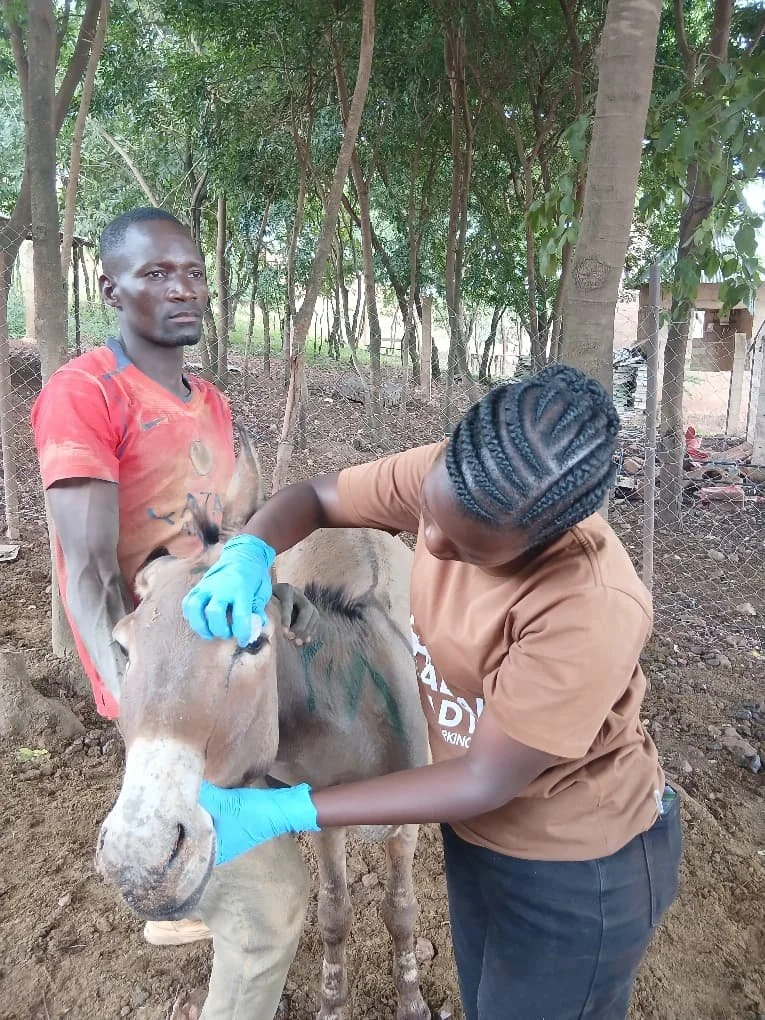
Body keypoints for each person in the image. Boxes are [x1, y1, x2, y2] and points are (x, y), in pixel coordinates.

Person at [183, 364, 682, 1020]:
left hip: (574, 867)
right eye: (429, 520)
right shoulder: (463, 480)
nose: (431, 544)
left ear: (544, 539)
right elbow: (315, 499)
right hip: (477, 837)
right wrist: (247, 552)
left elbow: (483, 779)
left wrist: (292, 810)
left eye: (467, 550)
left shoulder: (586, 606)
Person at [32, 207, 314, 1020]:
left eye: (191, 271)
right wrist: (131, 699)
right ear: (108, 285)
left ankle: (188, 889)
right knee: (270, 909)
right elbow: (86, 568)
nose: (182, 289)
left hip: (218, 658)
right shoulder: (85, 392)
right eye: (156, 274)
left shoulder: (209, 402)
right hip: (161, 680)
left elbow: (221, 531)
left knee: (250, 780)